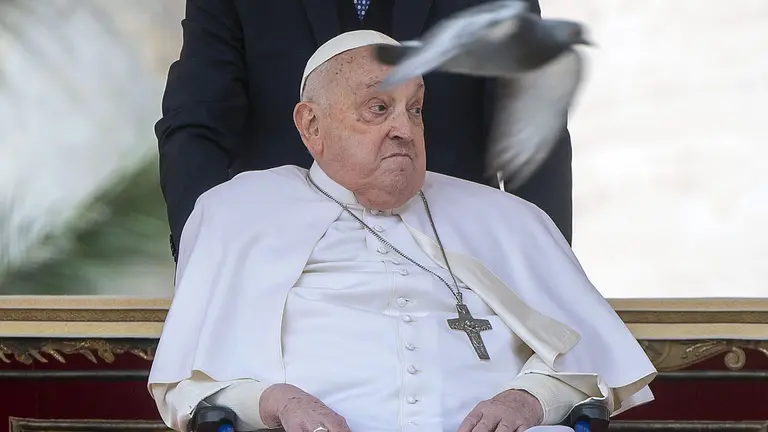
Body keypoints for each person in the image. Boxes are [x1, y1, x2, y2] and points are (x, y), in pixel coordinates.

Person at [148, 31, 656, 432]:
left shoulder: (507, 220)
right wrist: (273, 401)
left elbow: (591, 366)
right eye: (378, 108)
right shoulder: (240, 213)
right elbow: (191, 388)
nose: (404, 129)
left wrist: (530, 398)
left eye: (415, 109)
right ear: (311, 126)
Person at [156, 0, 575, 263]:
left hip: (455, 261)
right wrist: (205, 256)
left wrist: (545, 269)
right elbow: (196, 119)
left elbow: (535, 129)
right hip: (286, 266)